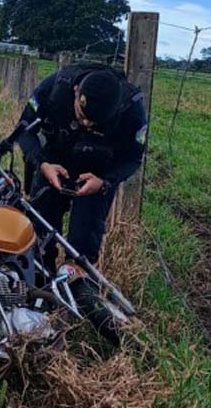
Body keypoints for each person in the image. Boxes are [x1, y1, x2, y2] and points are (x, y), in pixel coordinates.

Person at [15, 62, 148, 266]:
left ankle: (76, 289)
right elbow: (24, 130)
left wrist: (105, 182)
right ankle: (40, 286)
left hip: (96, 176)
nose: (86, 125)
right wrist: (41, 163)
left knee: (83, 253)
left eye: (95, 123)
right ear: (76, 92)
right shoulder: (55, 86)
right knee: (38, 242)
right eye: (82, 116)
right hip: (53, 165)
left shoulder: (132, 108)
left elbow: (134, 158)